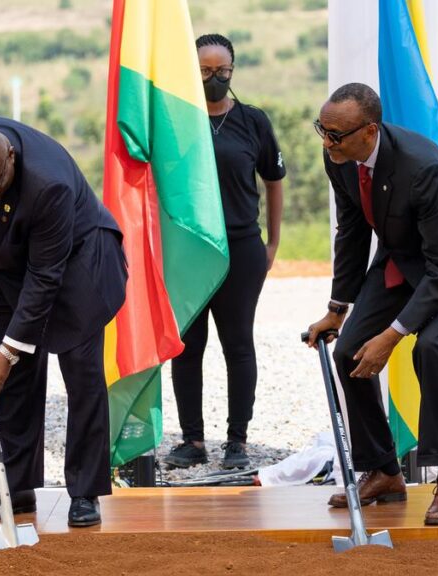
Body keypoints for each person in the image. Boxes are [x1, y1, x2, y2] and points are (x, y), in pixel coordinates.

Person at [304, 83, 438, 526]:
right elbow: (353, 232)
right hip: (404, 254)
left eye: (335, 134)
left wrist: (393, 335)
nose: (326, 141)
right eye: (323, 130)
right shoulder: (340, 155)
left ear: (370, 130)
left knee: (430, 347)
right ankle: (383, 470)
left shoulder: (422, 165)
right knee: (348, 352)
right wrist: (337, 310)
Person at [0, 118, 128, 527]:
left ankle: (85, 491)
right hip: (11, 265)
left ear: (10, 156)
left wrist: (7, 349)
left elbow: (46, 277)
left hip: (78, 266)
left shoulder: (49, 183)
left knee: (82, 377)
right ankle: (16, 489)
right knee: (13, 382)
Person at [162, 33, 285, 471]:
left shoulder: (253, 121)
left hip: (240, 248)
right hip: (189, 252)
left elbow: (274, 179)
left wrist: (272, 242)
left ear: (233, 70)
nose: (215, 78)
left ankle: (237, 441)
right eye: (205, 71)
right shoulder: (175, 120)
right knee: (186, 346)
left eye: (222, 70)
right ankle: (192, 440)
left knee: (238, 344)